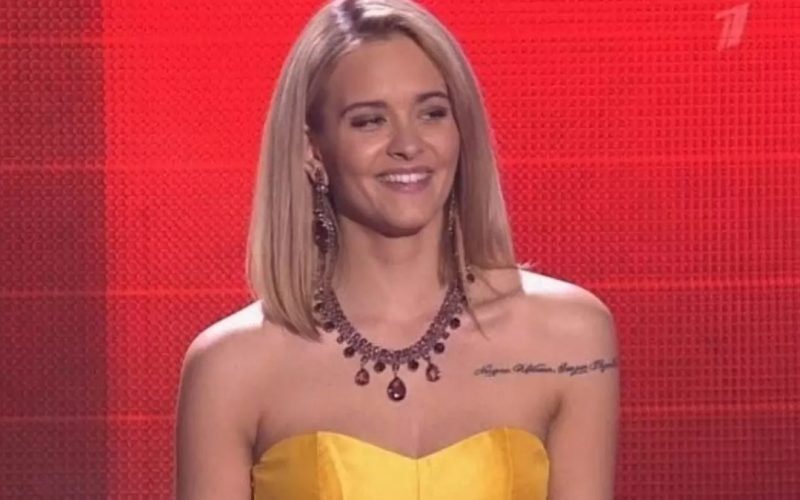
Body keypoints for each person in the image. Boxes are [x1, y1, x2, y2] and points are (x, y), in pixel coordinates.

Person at [175, 0, 620, 498]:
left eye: (432, 113)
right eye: (370, 121)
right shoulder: (232, 369)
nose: (409, 144)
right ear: (311, 149)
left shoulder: (570, 337)